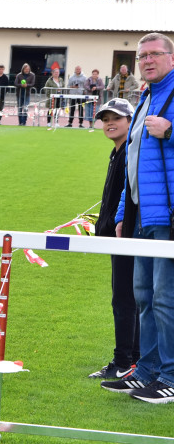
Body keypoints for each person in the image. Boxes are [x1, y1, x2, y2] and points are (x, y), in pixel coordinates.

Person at [105, 32, 174, 404]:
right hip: (141, 214)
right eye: (141, 55)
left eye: (154, 54)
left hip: (167, 216)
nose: (147, 60)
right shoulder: (146, 96)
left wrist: (171, 130)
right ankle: (145, 371)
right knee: (144, 297)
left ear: (171, 58)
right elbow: (132, 162)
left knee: (165, 299)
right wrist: (121, 213)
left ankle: (170, 376)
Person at [88, 98, 139, 381]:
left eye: (117, 118)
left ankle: (124, 361)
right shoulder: (117, 152)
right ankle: (133, 358)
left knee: (124, 299)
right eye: (106, 118)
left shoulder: (130, 152)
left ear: (131, 121)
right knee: (129, 297)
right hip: (117, 235)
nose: (109, 123)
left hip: (127, 235)